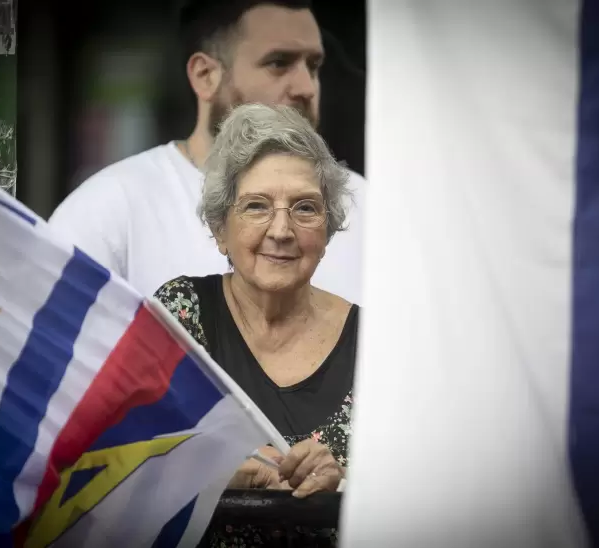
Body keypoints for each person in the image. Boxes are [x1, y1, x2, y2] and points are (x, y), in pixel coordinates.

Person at [47, 0, 365, 305]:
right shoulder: (108, 210)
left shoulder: (365, 206)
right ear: (205, 76)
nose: (306, 87)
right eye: (278, 63)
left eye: (313, 66)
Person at [154, 102, 357, 547]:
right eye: (257, 206)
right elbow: (121, 460)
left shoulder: (373, 343)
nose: (282, 230)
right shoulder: (178, 315)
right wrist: (225, 472)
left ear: (327, 230)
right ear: (221, 228)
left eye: (305, 208)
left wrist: (341, 483)